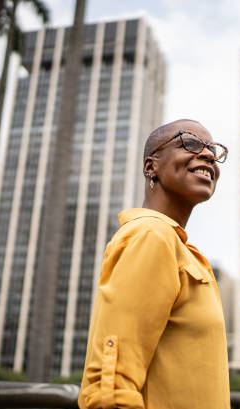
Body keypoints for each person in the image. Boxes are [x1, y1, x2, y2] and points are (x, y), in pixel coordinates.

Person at [78, 119, 230, 409]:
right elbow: (110, 384)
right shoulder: (152, 235)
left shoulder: (181, 248)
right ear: (151, 167)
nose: (209, 155)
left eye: (213, 150)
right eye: (190, 143)